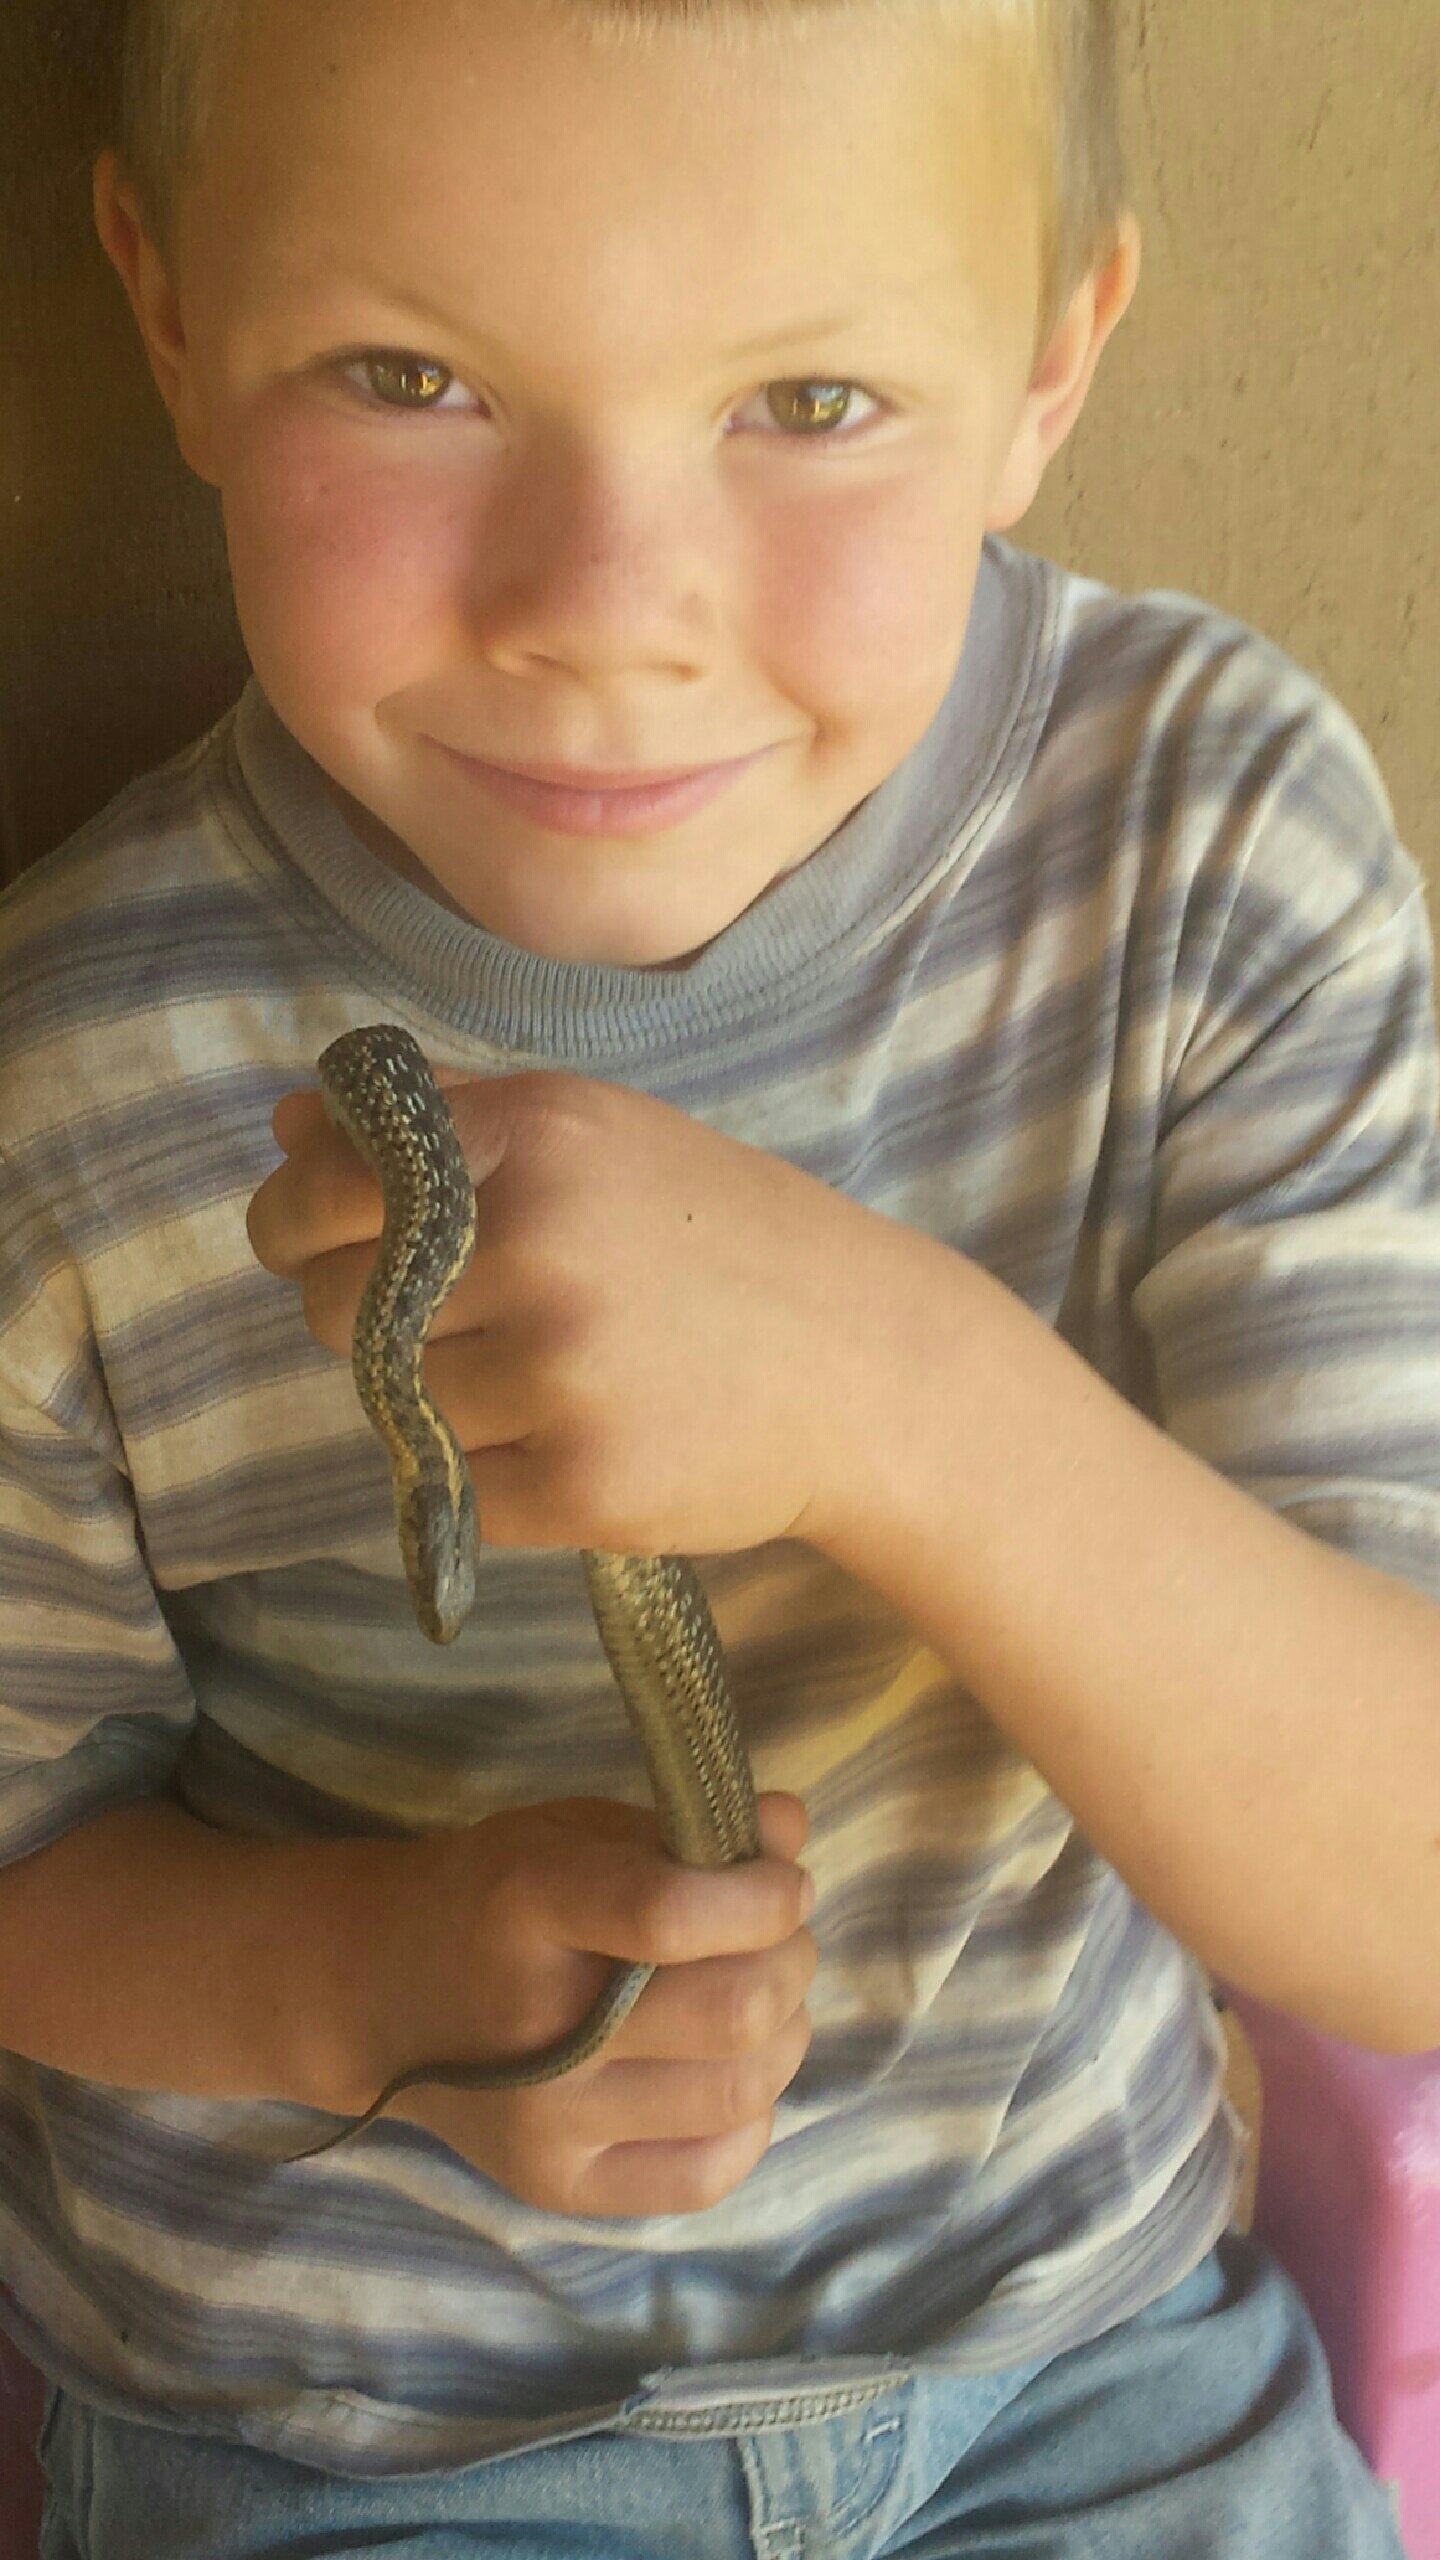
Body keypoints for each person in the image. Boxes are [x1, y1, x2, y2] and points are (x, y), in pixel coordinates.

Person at [0, 0, 1433, 2551]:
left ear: (1051, 360)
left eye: (809, 400)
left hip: (1083, 2364)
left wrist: (906, 1398)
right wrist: (381, 1971)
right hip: (350, 2432)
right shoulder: (69, 1086)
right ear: (170, 308)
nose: (605, 612)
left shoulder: (1203, 858)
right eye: (411, 374)